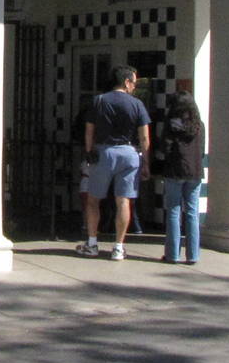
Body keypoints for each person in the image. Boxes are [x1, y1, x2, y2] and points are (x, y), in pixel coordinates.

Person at [77, 65, 151, 260]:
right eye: (134, 83)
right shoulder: (137, 105)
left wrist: (89, 151)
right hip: (129, 153)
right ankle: (118, 247)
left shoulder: (99, 101)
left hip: (104, 152)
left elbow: (89, 130)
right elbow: (144, 138)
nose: (134, 86)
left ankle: (92, 243)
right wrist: (146, 163)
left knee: (93, 199)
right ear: (126, 82)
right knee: (123, 200)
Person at [156, 91, 205, 264]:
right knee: (192, 213)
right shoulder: (199, 125)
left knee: (174, 212)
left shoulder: (171, 124)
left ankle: (172, 254)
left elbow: (164, 148)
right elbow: (202, 150)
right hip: (195, 172)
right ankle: (193, 255)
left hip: (175, 171)